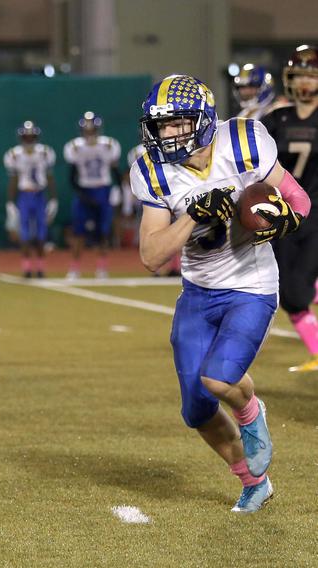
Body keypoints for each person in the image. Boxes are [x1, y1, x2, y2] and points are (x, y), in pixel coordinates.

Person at [131, 74, 310, 513]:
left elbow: (299, 199)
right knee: (195, 409)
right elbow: (152, 256)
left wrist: (285, 219)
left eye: (178, 123)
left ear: (205, 119)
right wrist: (192, 214)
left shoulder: (245, 142)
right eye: (161, 126)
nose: (168, 134)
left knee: (220, 378)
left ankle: (252, 414)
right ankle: (254, 481)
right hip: (198, 291)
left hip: (251, 286)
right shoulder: (153, 169)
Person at [260, 45, 318, 372]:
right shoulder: (276, 119)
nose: (306, 83)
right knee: (287, 293)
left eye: (311, 75)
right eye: (300, 75)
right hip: (285, 215)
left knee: (297, 291)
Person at [64, 111, 121, 279]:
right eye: (87, 130)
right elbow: (72, 176)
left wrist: (117, 189)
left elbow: (115, 170)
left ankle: (102, 267)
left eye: (92, 129)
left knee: (103, 232)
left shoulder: (109, 145)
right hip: (84, 190)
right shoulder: (75, 147)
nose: (89, 133)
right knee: (78, 232)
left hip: (103, 189)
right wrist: (81, 193)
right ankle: (74, 267)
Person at [3, 121, 57, 278]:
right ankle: (26, 268)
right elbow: (13, 180)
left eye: (31, 136)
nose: (28, 140)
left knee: (41, 233)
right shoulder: (14, 154)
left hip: (40, 195)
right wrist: (10, 202)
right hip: (24, 196)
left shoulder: (45, 153)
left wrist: (53, 199)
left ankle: (40, 268)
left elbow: (49, 176)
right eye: (26, 137)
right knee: (24, 234)